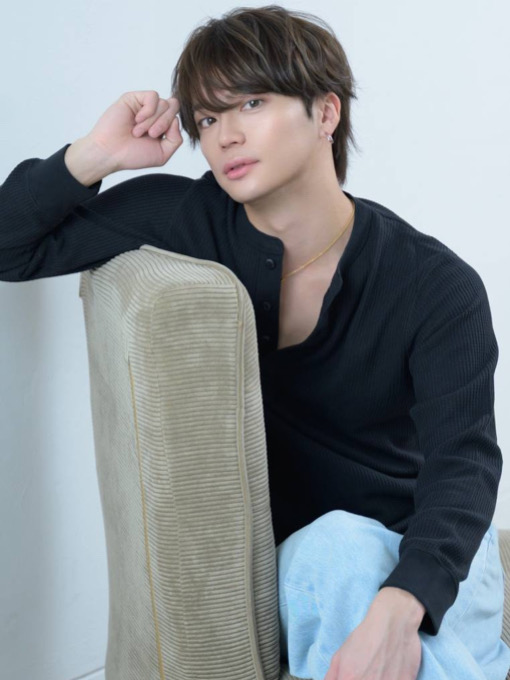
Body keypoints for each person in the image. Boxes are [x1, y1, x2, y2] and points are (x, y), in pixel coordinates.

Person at [1, 5, 509, 680]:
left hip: (431, 561)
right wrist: (97, 155)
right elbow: (10, 246)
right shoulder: (188, 218)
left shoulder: (434, 284)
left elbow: (463, 465)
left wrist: (401, 602)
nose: (225, 137)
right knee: (333, 549)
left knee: (352, 568)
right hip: (312, 561)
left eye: (252, 103)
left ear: (326, 112)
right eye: (208, 119)